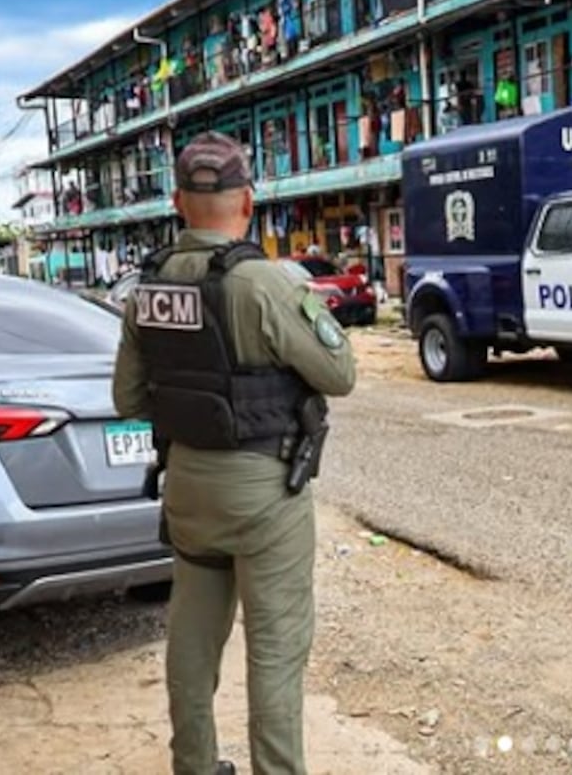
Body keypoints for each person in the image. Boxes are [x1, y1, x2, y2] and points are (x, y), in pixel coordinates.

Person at [111, 131, 356, 775]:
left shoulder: (149, 286)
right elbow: (340, 372)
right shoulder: (263, 283)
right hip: (265, 496)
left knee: (191, 641)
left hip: (188, 490)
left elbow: (128, 397)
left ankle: (193, 765)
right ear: (248, 201)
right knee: (275, 654)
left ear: (176, 201)